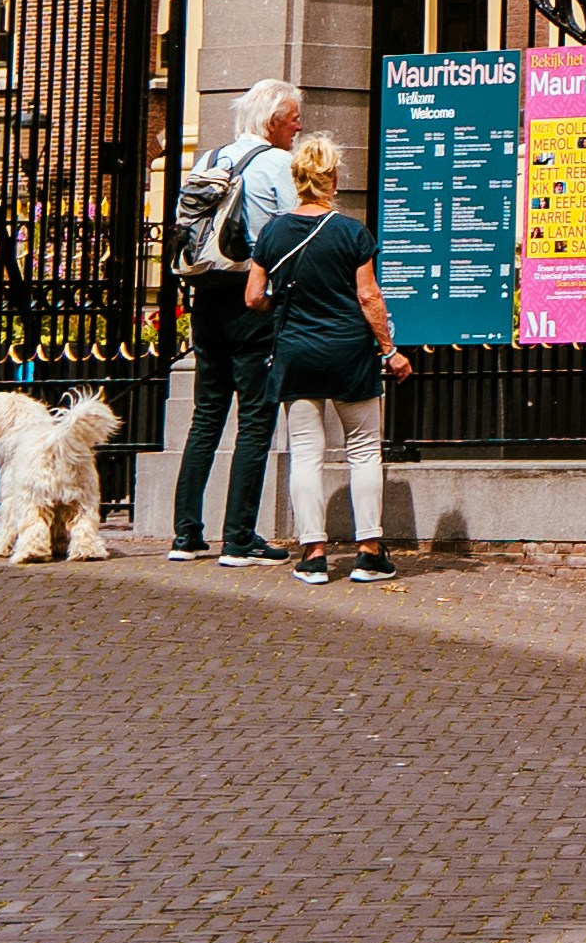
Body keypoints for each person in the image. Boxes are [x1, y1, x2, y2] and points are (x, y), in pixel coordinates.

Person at [249, 132, 408, 585]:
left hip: (297, 351)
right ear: (333, 179)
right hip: (349, 352)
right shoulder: (352, 232)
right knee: (364, 449)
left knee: (305, 453)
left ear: (297, 179)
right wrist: (390, 351)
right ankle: (369, 552)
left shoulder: (273, 232)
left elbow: (253, 296)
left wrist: (283, 305)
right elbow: (368, 296)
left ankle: (313, 555)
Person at [164, 81, 302, 565]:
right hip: (253, 298)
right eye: (293, 118)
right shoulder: (278, 163)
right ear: (272, 122)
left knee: (206, 415)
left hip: (206, 297)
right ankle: (240, 539)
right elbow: (294, 228)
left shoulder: (208, 160)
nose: (298, 126)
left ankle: (186, 535)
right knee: (256, 418)